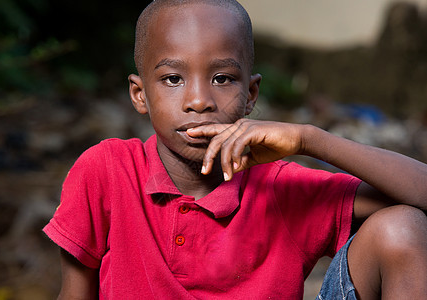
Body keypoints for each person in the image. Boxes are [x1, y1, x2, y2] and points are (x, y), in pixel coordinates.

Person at [43, 0, 427, 299]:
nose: (198, 100)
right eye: (173, 79)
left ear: (251, 95)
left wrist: (311, 139)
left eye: (222, 78)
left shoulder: (281, 188)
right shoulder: (107, 171)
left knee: (403, 227)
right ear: (140, 94)